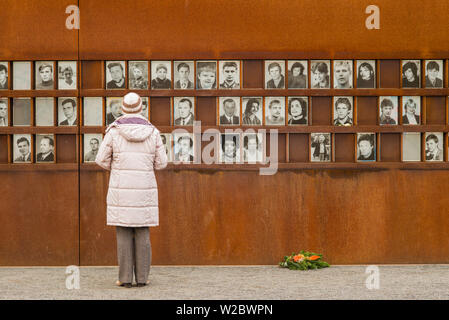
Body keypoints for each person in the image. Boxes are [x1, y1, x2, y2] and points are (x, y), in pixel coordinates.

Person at [95, 92, 168, 288]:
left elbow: (101, 160)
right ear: (141, 108)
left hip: (120, 189)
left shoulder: (113, 131)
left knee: (123, 231)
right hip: (145, 190)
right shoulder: (153, 132)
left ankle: (125, 278)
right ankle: (143, 278)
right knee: (143, 231)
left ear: (122, 109)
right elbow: (162, 163)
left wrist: (118, 168)